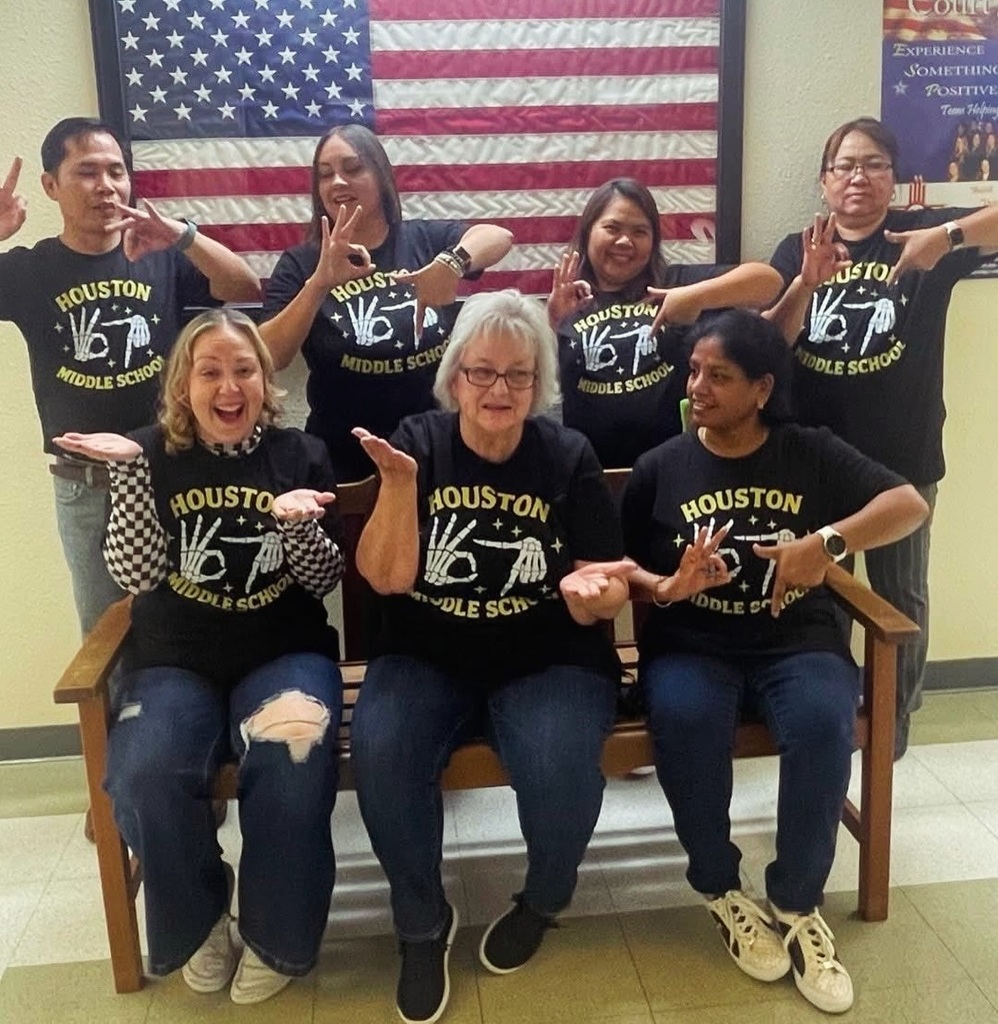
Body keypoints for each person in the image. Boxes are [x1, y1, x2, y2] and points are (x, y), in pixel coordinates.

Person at [621, 310, 928, 1015]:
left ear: (762, 388)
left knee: (825, 720)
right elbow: (623, 567)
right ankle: (721, 889)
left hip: (797, 641)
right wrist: (668, 585)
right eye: (694, 371)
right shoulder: (659, 468)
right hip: (694, 645)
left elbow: (909, 503)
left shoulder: (809, 450)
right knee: (687, 719)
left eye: (718, 376)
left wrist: (828, 544)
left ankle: (796, 905)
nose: (698, 386)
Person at [348, 290, 634, 1024]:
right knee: (382, 750)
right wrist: (399, 486)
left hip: (547, 656)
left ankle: (543, 897)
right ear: (455, 378)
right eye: (482, 372)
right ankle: (421, 923)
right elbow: (385, 579)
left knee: (563, 762)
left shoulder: (568, 456)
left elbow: (604, 590)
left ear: (539, 385)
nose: (499, 390)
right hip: (425, 652)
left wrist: (593, 592)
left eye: (517, 375)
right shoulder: (416, 442)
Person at [53, 308, 344, 1004]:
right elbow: (139, 577)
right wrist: (127, 477)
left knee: (294, 756)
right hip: (174, 663)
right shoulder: (149, 452)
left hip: (284, 655)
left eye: (243, 369)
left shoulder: (300, 454)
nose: (228, 385)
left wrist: (300, 529)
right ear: (184, 384)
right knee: (143, 771)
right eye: (209, 371)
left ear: (264, 381)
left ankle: (276, 932)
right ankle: (200, 918)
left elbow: (325, 581)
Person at [767, 116, 998, 758]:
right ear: (824, 182)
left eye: (873, 164)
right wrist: (803, 282)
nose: (858, 177)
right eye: (845, 166)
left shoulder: (926, 240)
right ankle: (833, 722)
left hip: (904, 459)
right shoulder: (797, 247)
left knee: (901, 598)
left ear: (894, 179)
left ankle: (891, 733)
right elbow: (770, 344)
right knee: (826, 600)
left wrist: (945, 236)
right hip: (819, 461)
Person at [0, 118, 260, 638]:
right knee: (107, 640)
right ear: (51, 185)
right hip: (87, 489)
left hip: (174, 471)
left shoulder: (158, 256)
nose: (107, 185)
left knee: (190, 626)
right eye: (87, 172)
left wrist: (183, 236)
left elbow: (242, 284)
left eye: (117, 171)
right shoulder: (30, 271)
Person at [259, 124, 513, 483]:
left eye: (353, 168)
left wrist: (451, 264)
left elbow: (499, 236)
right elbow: (269, 355)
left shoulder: (425, 240)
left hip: (435, 450)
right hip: (342, 459)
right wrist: (318, 285)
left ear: (380, 175)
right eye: (325, 174)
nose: (338, 182)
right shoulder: (301, 263)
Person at [548, 177, 782, 468]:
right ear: (588, 232)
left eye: (640, 231)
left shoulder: (675, 283)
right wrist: (553, 323)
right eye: (612, 228)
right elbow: (541, 393)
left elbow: (769, 282)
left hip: (673, 472)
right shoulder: (567, 298)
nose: (625, 241)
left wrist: (695, 297)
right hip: (590, 473)